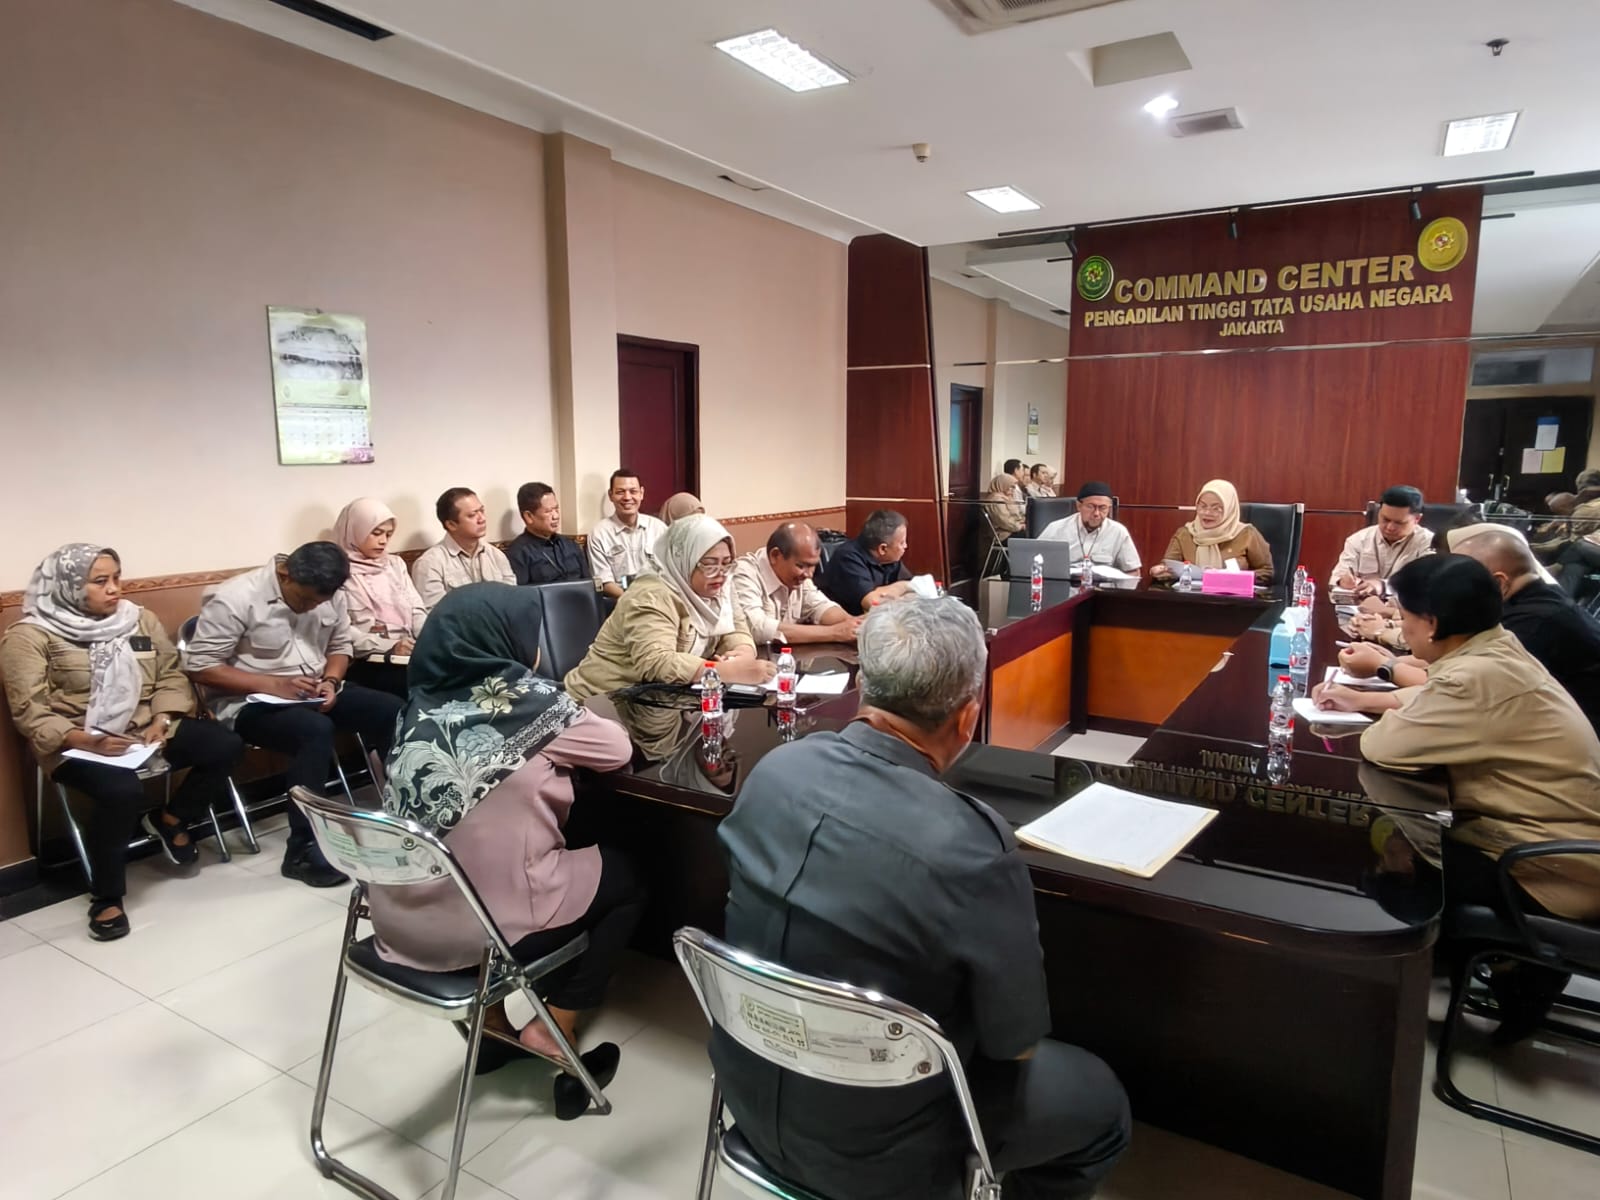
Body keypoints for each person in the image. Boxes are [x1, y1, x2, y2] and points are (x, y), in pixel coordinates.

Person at [715, 597, 1130, 1200]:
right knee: (1102, 1102)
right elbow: (1013, 1045)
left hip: (745, 1092)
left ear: (863, 687)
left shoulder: (775, 770)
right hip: (890, 1148)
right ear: (968, 718)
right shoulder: (970, 844)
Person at [369, 584, 640, 1110]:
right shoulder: (526, 702)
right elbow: (616, 749)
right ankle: (549, 1027)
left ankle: (490, 1031)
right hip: (480, 930)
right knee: (627, 877)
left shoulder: (414, 707)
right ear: (503, 640)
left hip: (398, 921)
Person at [1314, 555, 1600, 1041]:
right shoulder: (1498, 649)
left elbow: (1384, 747)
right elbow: (1435, 695)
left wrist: (1378, 701)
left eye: (1404, 618)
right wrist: (1364, 699)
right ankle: (1478, 964)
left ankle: (1392, 1001)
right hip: (1566, 843)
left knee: (1368, 866)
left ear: (1433, 623)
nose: (1401, 628)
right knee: (1399, 838)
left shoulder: (1475, 678)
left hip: (1551, 869)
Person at [1, 545, 244, 941]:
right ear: (68, 586)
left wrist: (163, 718)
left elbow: (170, 674)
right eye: (101, 582)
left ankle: (172, 819)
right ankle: (106, 896)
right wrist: (85, 740)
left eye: (117, 577)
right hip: (74, 741)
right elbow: (29, 709)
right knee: (121, 791)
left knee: (224, 745)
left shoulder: (138, 619)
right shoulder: (29, 636)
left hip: (144, 728)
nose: (114, 589)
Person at [183, 542, 404, 887]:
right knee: (313, 731)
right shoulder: (235, 597)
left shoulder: (331, 592)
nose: (314, 606)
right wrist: (271, 684)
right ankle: (303, 850)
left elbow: (339, 646)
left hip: (314, 687)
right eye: (305, 600)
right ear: (285, 574)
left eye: (321, 601)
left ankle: (405, 812)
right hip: (248, 701)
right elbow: (200, 666)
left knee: (391, 709)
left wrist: (331, 680)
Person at [1337, 531, 1600, 734]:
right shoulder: (1528, 602)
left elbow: (1458, 691)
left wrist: (1385, 666)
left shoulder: (1537, 622)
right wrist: (1391, 660)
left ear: (1498, 582)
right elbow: (1459, 661)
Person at [564, 515, 774, 699]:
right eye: (710, 564)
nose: (721, 572)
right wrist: (727, 671)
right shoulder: (651, 594)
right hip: (605, 700)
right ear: (683, 560)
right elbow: (656, 662)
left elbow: (736, 626)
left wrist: (742, 652)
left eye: (727, 562)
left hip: (664, 698)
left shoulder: (720, 584)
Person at [332, 498, 429, 698]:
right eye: (376, 533)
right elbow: (341, 631)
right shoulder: (337, 571)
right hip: (367, 660)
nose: (383, 541)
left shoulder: (394, 564)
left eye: (388, 534)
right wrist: (390, 647)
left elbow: (416, 608)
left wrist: (427, 637)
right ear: (354, 530)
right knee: (419, 683)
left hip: (409, 653)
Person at [728, 522, 861, 646]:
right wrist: (834, 633)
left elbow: (821, 606)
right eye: (801, 566)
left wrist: (854, 624)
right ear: (775, 556)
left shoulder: (800, 576)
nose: (808, 574)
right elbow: (758, 629)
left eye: (813, 566)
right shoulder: (744, 573)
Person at [1151, 480, 1273, 585]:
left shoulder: (1246, 534)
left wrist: (1232, 578)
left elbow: (1266, 572)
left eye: (1216, 508)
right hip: (1192, 599)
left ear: (1229, 509)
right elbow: (1169, 569)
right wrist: (1158, 572)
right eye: (1203, 506)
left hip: (1234, 602)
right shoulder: (1185, 533)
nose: (1207, 513)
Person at [411, 488, 516, 609]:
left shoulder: (496, 555)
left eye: (482, 511)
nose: (482, 519)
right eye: (472, 515)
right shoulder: (430, 563)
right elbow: (435, 616)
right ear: (451, 524)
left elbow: (511, 600)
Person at [1331, 486, 1434, 600]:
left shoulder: (1430, 543)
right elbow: (1337, 576)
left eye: (1399, 523)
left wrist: (1384, 586)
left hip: (1404, 612)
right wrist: (1343, 581)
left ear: (1417, 519)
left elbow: (1427, 583)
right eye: (1385, 519)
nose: (1390, 527)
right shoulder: (1358, 540)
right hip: (1360, 610)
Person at [588, 468, 669, 600]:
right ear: (611, 495)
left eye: (633, 491)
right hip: (620, 603)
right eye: (620, 492)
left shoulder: (658, 528)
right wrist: (634, 600)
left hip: (658, 599)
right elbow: (604, 582)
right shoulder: (599, 534)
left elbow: (671, 571)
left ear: (641, 493)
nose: (627, 497)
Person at [817, 509, 915, 614]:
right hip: (846, 622)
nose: (905, 546)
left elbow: (913, 586)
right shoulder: (847, 558)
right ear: (882, 549)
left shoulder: (889, 558)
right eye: (902, 543)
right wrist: (902, 586)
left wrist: (900, 588)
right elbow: (872, 602)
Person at [1039, 482, 1141, 573]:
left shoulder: (1119, 532)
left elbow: (1133, 571)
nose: (1096, 513)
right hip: (1066, 590)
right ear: (1079, 506)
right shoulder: (1056, 529)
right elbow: (1034, 562)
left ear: (1109, 509)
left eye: (1102, 508)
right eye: (1091, 506)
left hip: (1102, 592)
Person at [505, 482, 590, 587]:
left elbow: (589, 584)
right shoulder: (519, 553)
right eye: (548, 511)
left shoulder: (571, 545)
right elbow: (523, 597)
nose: (556, 516)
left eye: (556, 509)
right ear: (528, 517)